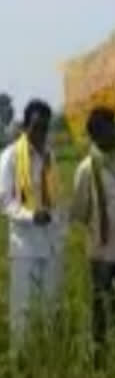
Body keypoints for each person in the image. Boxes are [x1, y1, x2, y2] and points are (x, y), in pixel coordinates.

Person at [0, 100, 64, 351]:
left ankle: (48, 358)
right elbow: (4, 200)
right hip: (25, 247)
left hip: (50, 245)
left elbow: (55, 196)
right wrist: (29, 215)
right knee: (22, 312)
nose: (41, 133)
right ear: (25, 126)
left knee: (51, 308)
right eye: (36, 127)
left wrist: (58, 224)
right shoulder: (10, 156)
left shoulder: (49, 156)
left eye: (45, 128)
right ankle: (20, 363)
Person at [71, 108, 115, 364]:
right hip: (101, 251)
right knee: (100, 307)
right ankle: (99, 358)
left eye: (114, 127)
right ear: (96, 135)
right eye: (109, 128)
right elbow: (81, 212)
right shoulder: (86, 169)